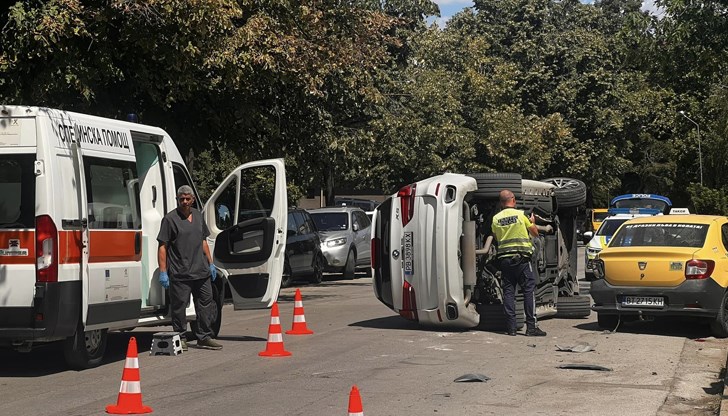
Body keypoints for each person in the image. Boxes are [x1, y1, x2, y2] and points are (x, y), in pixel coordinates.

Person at [157, 185, 223, 350]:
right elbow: (163, 246)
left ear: (193, 199)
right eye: (181, 199)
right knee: (179, 306)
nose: (185, 202)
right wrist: (163, 272)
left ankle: (204, 336)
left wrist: (211, 263)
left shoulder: (198, 216)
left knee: (205, 303)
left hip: (201, 271)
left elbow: (203, 241)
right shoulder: (170, 219)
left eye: (188, 198)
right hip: (181, 272)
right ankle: (180, 337)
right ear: (178, 200)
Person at [491, 189, 547, 337]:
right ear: (513, 200)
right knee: (529, 291)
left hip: (504, 260)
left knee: (509, 292)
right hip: (522, 259)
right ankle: (531, 327)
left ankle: (511, 328)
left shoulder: (496, 219)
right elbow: (534, 232)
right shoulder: (521, 215)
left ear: (501, 203)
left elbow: (496, 237)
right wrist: (533, 223)